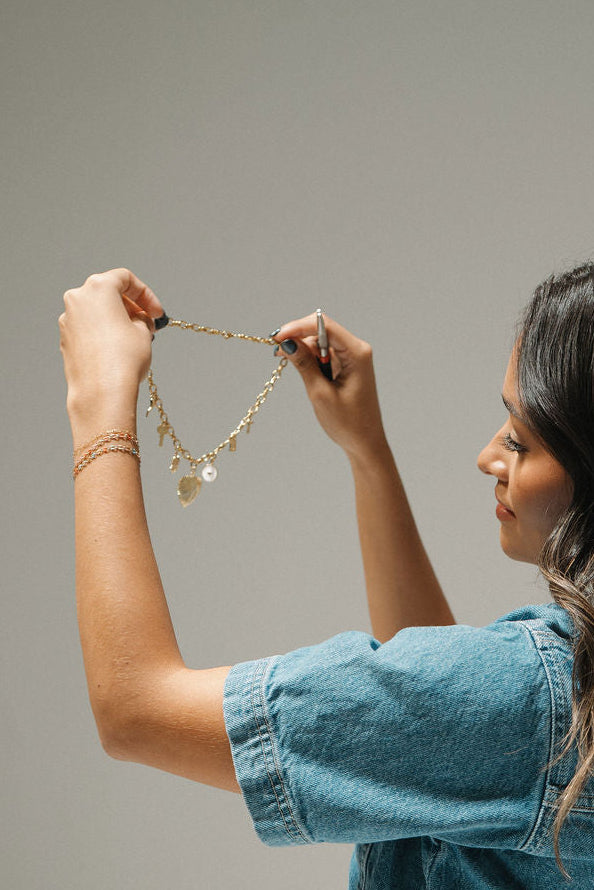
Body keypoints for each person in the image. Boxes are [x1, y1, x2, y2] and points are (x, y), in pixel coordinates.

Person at [59, 264, 594, 889]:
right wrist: (367, 453)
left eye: (522, 441)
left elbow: (134, 708)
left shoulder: (535, 698)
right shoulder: (543, 699)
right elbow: (441, 724)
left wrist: (98, 403)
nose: (488, 457)